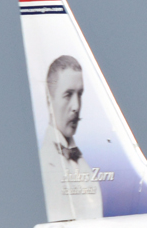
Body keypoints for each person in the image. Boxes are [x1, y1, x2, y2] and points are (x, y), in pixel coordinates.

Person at [39, 55, 103, 219]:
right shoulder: (44, 162)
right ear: (49, 100)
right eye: (68, 95)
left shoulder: (85, 165)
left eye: (80, 94)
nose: (76, 107)